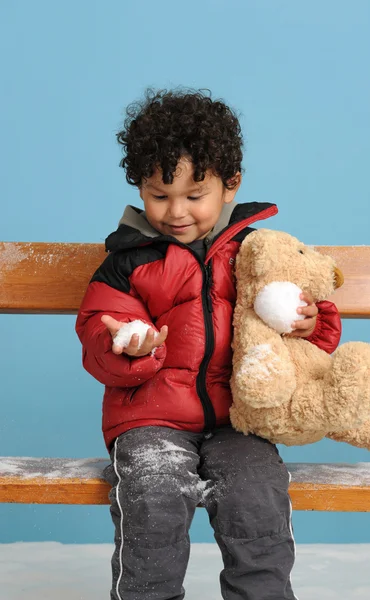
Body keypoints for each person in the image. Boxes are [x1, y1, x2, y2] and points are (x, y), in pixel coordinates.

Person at [76, 89, 342, 600]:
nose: (175, 212)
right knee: (153, 494)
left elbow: (311, 332)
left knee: (256, 497)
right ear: (140, 188)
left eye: (193, 196)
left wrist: (311, 321)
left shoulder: (255, 252)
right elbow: (98, 331)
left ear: (230, 186)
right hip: (151, 419)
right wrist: (130, 345)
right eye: (159, 194)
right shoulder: (127, 260)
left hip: (239, 419)